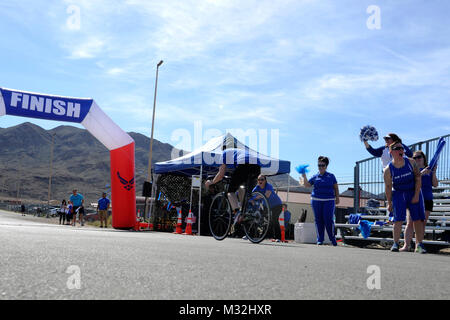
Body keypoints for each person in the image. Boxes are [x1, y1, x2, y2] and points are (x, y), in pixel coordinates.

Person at [383, 141, 426, 253]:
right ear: (391, 152)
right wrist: (389, 202)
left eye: (402, 148)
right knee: (398, 220)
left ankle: (420, 245)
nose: (401, 150)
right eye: (397, 148)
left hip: (413, 191)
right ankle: (396, 244)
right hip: (398, 193)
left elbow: (418, 178)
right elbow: (388, 187)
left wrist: (416, 195)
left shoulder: (411, 162)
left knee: (417, 220)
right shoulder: (388, 169)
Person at [205, 148, 261, 223]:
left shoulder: (223, 154)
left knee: (230, 191)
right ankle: (246, 210)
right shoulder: (237, 152)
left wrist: (212, 182)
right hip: (257, 166)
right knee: (242, 188)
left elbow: (221, 175)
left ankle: (237, 213)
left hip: (244, 164)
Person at [400, 151, 438, 251]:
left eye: (419, 157)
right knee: (410, 223)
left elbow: (435, 184)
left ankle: (418, 245)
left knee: (421, 223)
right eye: (414, 157)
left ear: (423, 158)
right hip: (414, 199)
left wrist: (433, 172)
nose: (417, 159)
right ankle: (406, 245)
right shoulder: (411, 170)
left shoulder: (429, 170)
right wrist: (421, 173)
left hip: (427, 199)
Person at [300, 156, 339, 246]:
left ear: (326, 166)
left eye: (322, 165)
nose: (320, 167)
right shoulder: (315, 176)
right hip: (316, 200)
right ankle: (320, 239)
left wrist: (337, 198)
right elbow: (306, 185)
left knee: (328, 219)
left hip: (329, 200)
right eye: (319, 165)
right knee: (318, 220)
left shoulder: (331, 176)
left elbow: (336, 188)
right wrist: (304, 175)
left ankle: (332, 239)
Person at [251, 174, 283, 241]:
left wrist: (256, 198)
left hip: (277, 205)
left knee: (274, 219)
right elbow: (251, 197)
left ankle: (278, 238)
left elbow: (267, 195)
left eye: (262, 179)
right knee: (265, 220)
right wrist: (252, 200)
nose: (260, 181)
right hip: (266, 205)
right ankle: (266, 235)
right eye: (259, 179)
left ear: (265, 180)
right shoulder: (256, 188)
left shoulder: (269, 186)